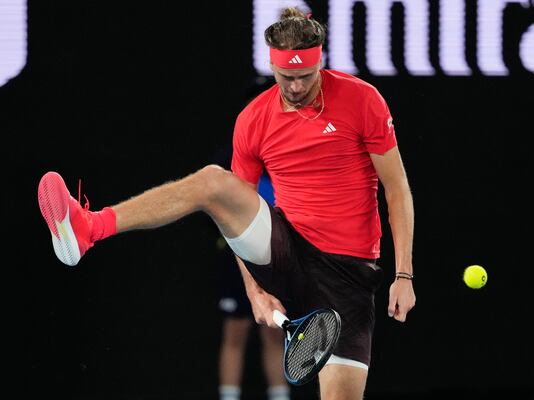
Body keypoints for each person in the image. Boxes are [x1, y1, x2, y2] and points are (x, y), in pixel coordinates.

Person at [37, 7, 416, 400]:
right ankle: (89, 227)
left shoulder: (363, 100)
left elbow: (396, 189)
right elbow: (235, 218)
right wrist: (254, 289)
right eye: (288, 77)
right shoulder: (253, 120)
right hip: (284, 249)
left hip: (349, 274)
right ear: (272, 65)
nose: (298, 87)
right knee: (214, 183)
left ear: (321, 63)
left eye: (306, 76)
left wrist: (403, 275)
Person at [216, 172, 290, 400]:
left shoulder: (283, 160)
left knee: (274, 334)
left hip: (273, 261)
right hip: (236, 263)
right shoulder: (229, 158)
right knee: (235, 333)